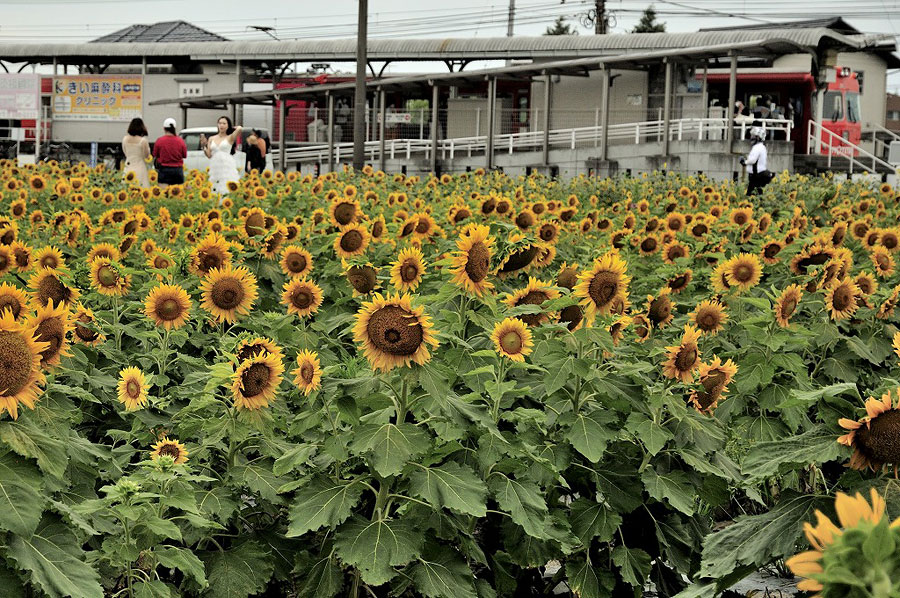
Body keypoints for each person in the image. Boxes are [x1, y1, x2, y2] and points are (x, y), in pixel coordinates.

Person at [200, 115, 242, 196]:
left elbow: (239, 128)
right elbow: (209, 155)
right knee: (215, 187)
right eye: (220, 123)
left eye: (224, 123)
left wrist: (233, 128)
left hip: (226, 167)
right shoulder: (211, 138)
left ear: (228, 125)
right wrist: (204, 146)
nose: (221, 125)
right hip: (215, 167)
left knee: (226, 187)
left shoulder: (230, 137)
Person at [152, 117, 187, 188]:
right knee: (177, 192)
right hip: (177, 170)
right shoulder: (180, 141)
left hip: (164, 170)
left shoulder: (159, 140)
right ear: (174, 128)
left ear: (164, 128)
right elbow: (184, 155)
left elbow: (155, 154)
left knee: (163, 192)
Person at [740, 126, 773, 196]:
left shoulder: (757, 147)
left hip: (756, 176)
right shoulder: (762, 147)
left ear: (758, 137)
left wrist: (744, 162)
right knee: (758, 195)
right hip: (759, 175)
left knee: (751, 195)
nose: (751, 137)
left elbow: (753, 160)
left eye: (753, 136)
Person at [122, 118, 150, 187]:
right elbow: (146, 156)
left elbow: (125, 153)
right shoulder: (143, 141)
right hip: (140, 167)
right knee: (141, 187)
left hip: (128, 167)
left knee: (127, 188)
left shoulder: (125, 139)